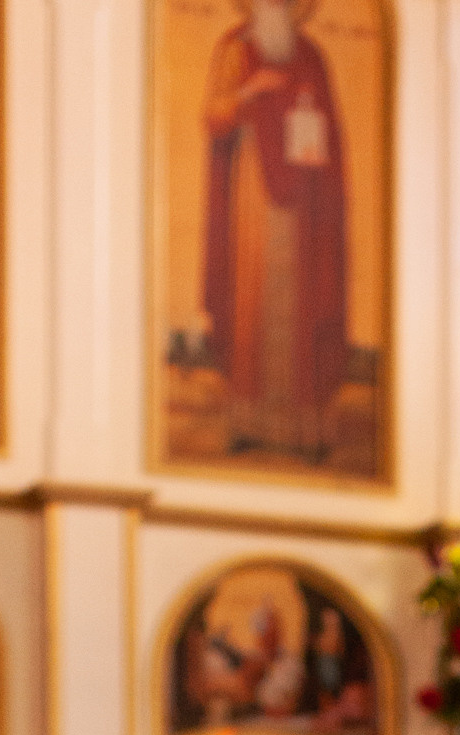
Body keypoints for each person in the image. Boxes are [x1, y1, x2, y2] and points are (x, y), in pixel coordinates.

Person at [200, 0, 349, 462]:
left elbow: (327, 128)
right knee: (252, 300)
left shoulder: (311, 55)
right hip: (252, 193)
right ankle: (248, 422)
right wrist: (249, 92)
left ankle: (303, 429)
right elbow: (213, 117)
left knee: (301, 302)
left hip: (304, 202)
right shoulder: (234, 48)